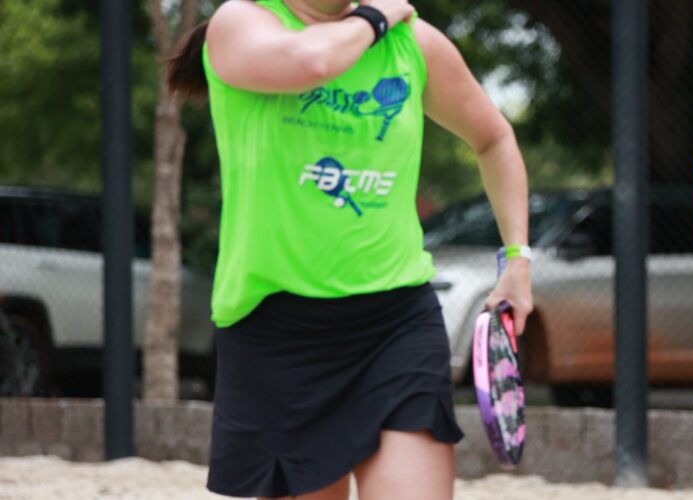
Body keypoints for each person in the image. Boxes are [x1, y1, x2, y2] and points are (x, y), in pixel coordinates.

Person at [165, 0, 533, 498]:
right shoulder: (241, 21)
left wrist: (517, 259)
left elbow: (494, 138)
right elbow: (309, 63)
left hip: (395, 325)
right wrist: (376, 17)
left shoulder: (414, 44)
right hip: (278, 334)